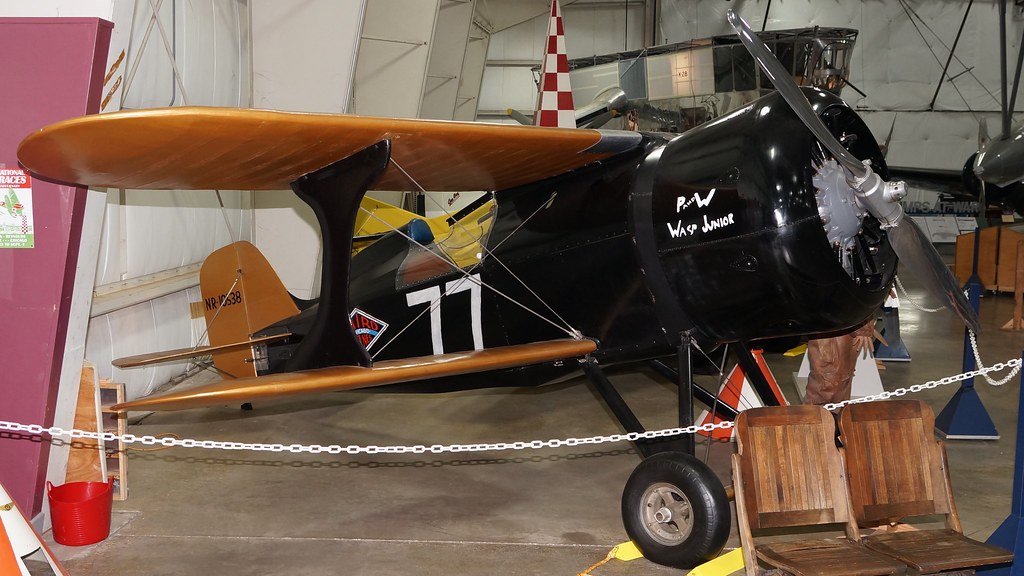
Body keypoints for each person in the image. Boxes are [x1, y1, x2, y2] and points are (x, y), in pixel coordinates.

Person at [803, 317, 875, 405]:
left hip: (842, 324)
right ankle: (815, 414)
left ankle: (826, 413)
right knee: (829, 378)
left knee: (838, 377)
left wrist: (863, 327)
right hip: (836, 324)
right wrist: (863, 327)